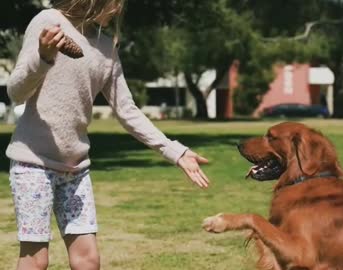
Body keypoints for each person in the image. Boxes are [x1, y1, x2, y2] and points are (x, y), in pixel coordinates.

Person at [6, 0, 210, 269]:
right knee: (36, 260)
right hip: (33, 163)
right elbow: (16, 92)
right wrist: (43, 57)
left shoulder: (105, 47)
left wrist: (174, 151)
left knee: (88, 260)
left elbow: (127, 110)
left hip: (75, 169)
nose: (118, 10)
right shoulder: (47, 22)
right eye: (115, 3)